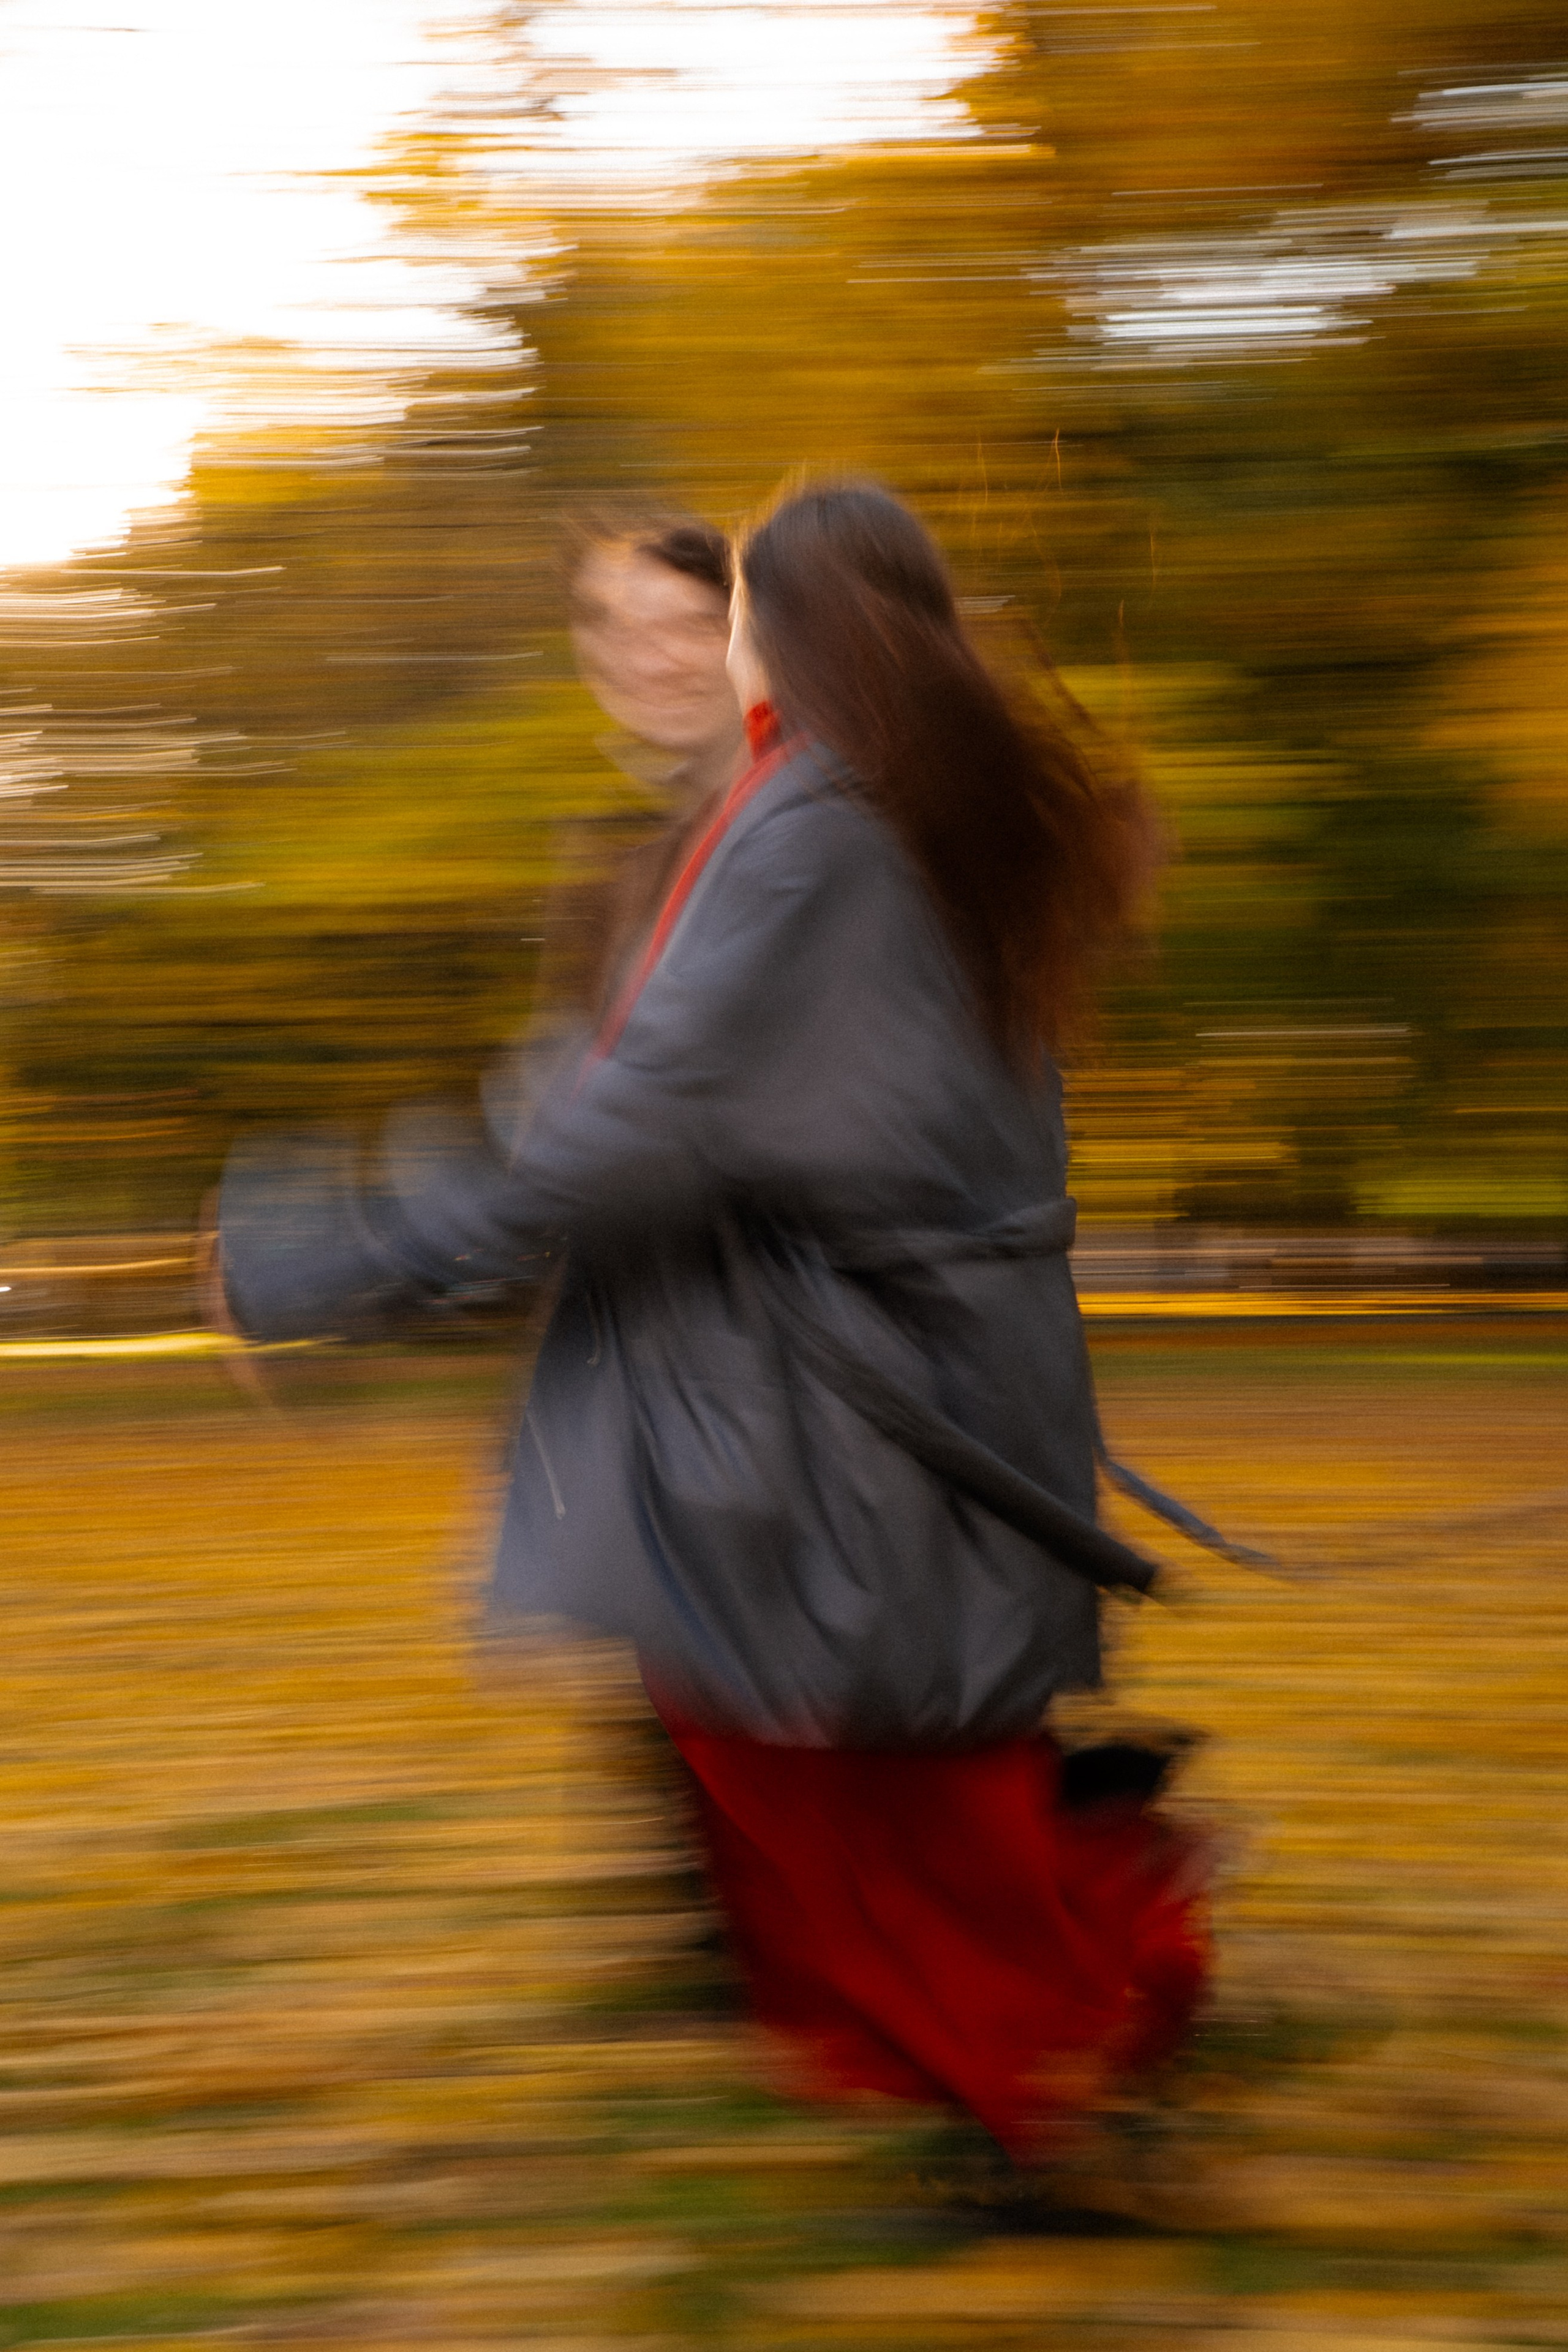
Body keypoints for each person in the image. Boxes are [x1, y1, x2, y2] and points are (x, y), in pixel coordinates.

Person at [216, 478, 1209, 2168]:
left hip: (856, 1404)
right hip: (922, 1382)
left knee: (834, 1762)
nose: (705, 635)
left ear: (791, 628)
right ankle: (1068, 2003)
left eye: (730, 602)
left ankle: (1043, 2083)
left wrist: (313, 1258)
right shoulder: (919, 800)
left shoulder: (816, 822)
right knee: (847, 1756)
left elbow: (621, 1128)